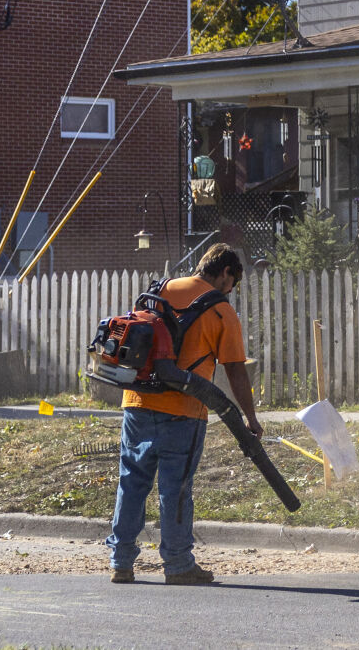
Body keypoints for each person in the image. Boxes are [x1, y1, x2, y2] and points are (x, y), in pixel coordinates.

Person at [107, 242, 261, 584]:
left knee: (131, 482)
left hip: (137, 402)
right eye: (233, 282)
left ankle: (121, 561)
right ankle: (177, 565)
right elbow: (235, 371)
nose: (231, 289)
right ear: (225, 273)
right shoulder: (222, 311)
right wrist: (250, 419)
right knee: (175, 489)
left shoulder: (159, 290)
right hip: (185, 410)